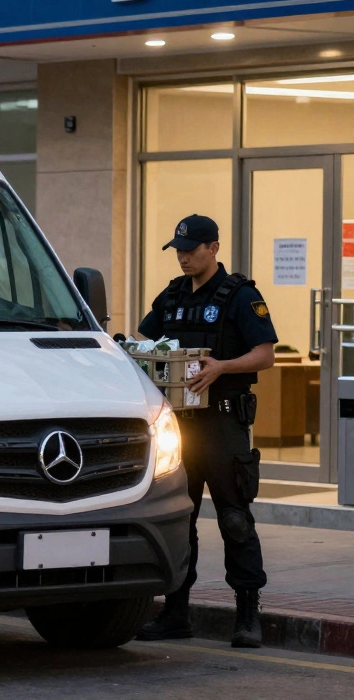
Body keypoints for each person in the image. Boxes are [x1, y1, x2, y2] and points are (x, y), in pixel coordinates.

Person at [134, 214, 276, 649]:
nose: (183, 257)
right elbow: (144, 339)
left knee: (234, 519)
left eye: (191, 250)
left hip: (223, 423)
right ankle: (176, 612)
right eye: (178, 250)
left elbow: (265, 355)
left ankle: (248, 614)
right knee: (180, 519)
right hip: (179, 426)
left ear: (213, 248)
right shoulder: (173, 294)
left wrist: (221, 368)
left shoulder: (240, 295)